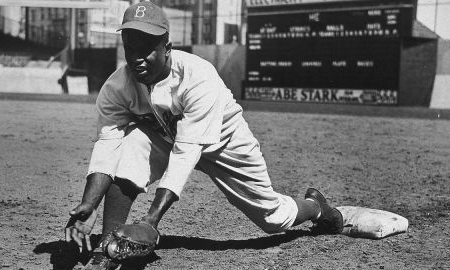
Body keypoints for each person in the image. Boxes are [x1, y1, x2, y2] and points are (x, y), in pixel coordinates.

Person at [64, 1, 343, 269]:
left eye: (147, 48)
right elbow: (107, 146)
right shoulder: (116, 87)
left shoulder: (197, 76)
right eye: (130, 47)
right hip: (167, 137)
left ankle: (315, 207)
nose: (138, 57)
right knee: (130, 146)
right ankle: (108, 246)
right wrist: (89, 203)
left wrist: (151, 220)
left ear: (167, 47)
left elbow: (186, 154)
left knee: (272, 217)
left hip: (226, 143)